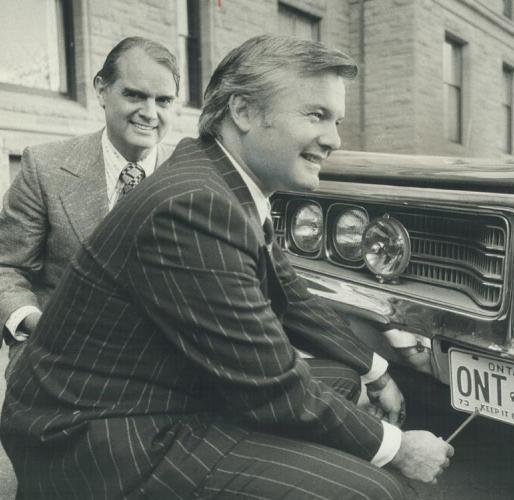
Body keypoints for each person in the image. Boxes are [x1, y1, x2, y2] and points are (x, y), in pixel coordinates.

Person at [1, 34, 453, 499]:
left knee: (339, 382)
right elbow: (272, 384)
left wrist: (373, 368)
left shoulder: (219, 179)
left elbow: (290, 295)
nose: (334, 139)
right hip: (101, 436)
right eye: (315, 115)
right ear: (243, 111)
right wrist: (396, 447)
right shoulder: (196, 204)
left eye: (336, 120)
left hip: (157, 390)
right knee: (379, 491)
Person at [0, 36, 178, 364]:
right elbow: (7, 266)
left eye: (163, 100)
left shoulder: (189, 177)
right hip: (58, 360)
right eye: (134, 95)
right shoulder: (45, 167)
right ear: (101, 90)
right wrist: (34, 322)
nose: (150, 113)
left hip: (160, 374)